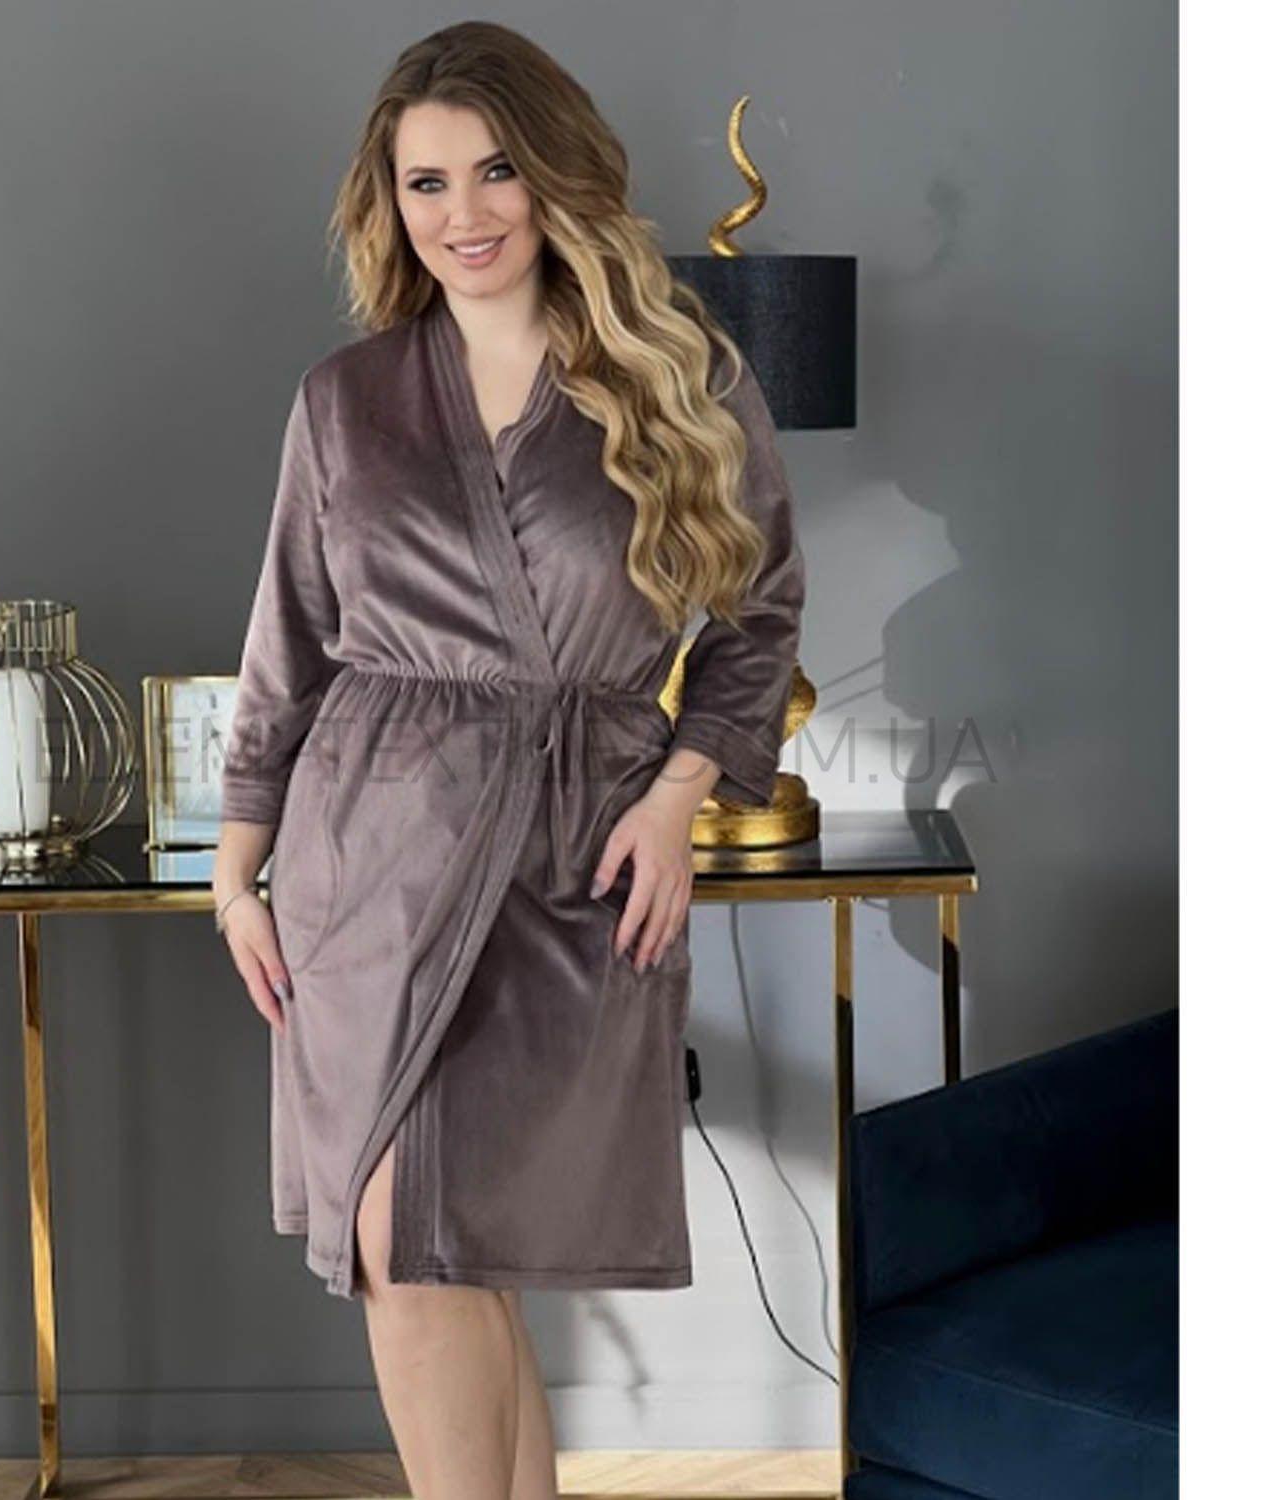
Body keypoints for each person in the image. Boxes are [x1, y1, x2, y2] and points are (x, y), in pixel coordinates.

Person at [210, 20, 805, 1499]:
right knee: (403, 1240)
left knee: (455, 1240)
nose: (462, 214)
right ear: (388, 203)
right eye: (425, 183)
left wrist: (678, 799)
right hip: (370, 856)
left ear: (554, 176)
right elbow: (291, 640)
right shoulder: (347, 398)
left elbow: (761, 615)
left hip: (572, 853)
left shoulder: (678, 378)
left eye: (494, 172)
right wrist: (237, 869)